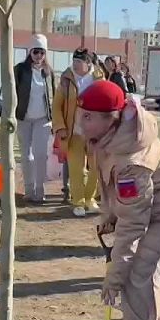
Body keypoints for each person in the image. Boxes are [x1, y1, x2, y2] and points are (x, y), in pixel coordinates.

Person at [79, 81, 160, 320]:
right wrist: (108, 213)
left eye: (88, 116)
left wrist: (114, 277)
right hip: (139, 207)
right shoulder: (109, 138)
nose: (82, 122)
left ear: (110, 117)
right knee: (144, 268)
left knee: (134, 272)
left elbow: (132, 227)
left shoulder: (132, 161)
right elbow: (108, 185)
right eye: (82, 114)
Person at [52, 47, 107, 217]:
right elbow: (57, 106)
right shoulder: (66, 80)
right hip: (73, 132)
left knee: (96, 168)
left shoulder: (99, 78)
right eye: (74, 61)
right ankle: (78, 202)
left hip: (94, 134)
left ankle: (90, 198)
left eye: (79, 62)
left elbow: (106, 104)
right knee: (76, 169)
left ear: (88, 63)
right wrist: (60, 127)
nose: (75, 65)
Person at [14, 34, 56, 204]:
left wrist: (55, 119)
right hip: (23, 118)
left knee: (40, 155)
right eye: (36, 52)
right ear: (30, 52)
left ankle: (40, 189)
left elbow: (54, 94)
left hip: (43, 119)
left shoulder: (49, 72)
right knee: (26, 156)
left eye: (42, 53)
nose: (39, 56)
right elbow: (12, 92)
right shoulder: (19, 70)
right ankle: (29, 189)